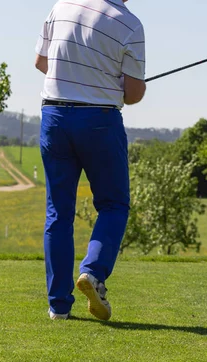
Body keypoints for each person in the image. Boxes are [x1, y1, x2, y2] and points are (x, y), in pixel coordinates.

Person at [35, 0, 146, 321]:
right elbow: (133, 94)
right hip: (99, 122)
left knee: (59, 213)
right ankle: (93, 273)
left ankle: (58, 307)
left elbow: (42, 62)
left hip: (54, 117)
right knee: (113, 205)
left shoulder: (61, 6)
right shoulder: (130, 24)